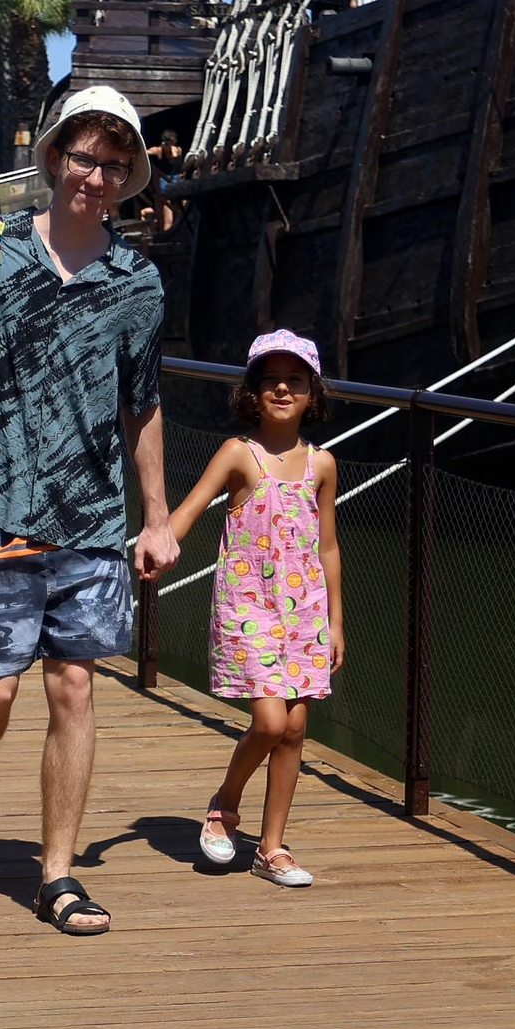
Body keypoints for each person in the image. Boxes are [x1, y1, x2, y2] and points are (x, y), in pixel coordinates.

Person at [0, 86, 179, 936]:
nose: (98, 176)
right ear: (55, 157)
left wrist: (156, 514)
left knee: (75, 686)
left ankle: (57, 875)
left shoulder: (137, 281)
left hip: (90, 515)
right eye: (86, 157)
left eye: (116, 165)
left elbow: (143, 404)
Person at [166, 329, 345, 887]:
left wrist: (336, 621)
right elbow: (190, 508)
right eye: (271, 381)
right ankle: (225, 803)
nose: (283, 390)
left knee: (294, 729)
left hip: (306, 613)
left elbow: (328, 546)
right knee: (269, 721)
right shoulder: (239, 454)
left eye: (295, 381)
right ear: (253, 392)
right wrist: (159, 542)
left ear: (312, 394)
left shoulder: (322, 464)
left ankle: (271, 849)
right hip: (250, 607)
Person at [139, 130, 185, 231]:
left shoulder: (178, 150)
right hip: (165, 184)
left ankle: (183, 230)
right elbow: (145, 152)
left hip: (177, 181)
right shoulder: (158, 150)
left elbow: (182, 166)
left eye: (170, 143)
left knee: (184, 207)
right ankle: (167, 232)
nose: (168, 145)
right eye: (166, 143)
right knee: (168, 216)